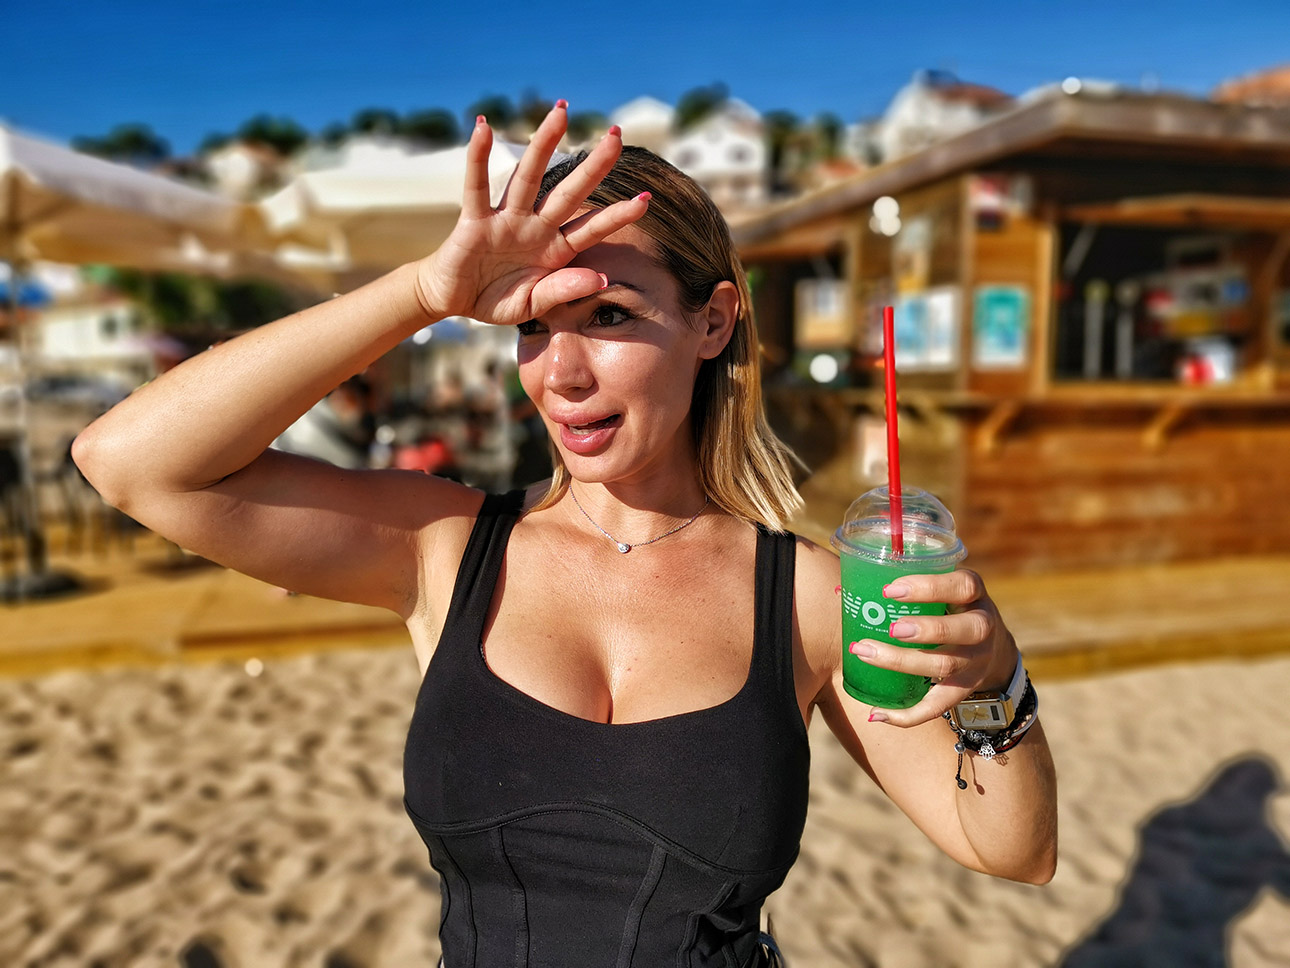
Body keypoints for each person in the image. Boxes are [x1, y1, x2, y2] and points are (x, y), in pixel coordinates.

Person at [72, 102, 1057, 967]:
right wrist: (424, 292)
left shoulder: (802, 594)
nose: (561, 374)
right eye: (533, 326)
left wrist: (995, 680)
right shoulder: (446, 547)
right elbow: (131, 463)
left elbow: (1011, 848)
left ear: (713, 323)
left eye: (610, 315)